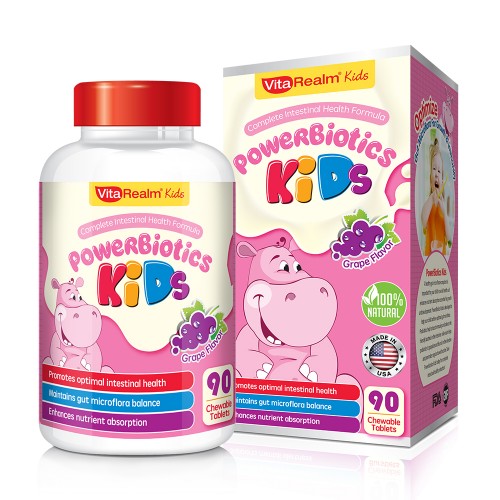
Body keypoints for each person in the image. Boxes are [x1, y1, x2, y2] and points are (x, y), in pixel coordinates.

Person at [421, 138, 451, 255]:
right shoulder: (428, 203)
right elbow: (423, 221)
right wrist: (431, 198)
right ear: (430, 177)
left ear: (442, 181)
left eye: (439, 171)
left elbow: (449, 237)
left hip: (442, 256)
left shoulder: (443, 206)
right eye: (434, 169)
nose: (437, 174)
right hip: (428, 255)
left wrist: (444, 211)